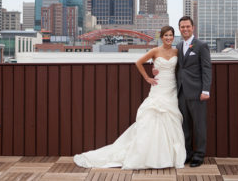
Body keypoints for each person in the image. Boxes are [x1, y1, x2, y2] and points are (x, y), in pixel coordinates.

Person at [73, 26, 186, 169]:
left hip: (171, 89)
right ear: (162, 37)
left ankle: (168, 157)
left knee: (171, 120)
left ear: (173, 37)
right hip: (158, 88)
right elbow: (138, 63)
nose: (168, 38)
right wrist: (147, 77)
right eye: (166, 36)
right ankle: (147, 155)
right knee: (151, 119)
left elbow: (180, 68)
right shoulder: (155, 51)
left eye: (171, 35)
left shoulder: (176, 51)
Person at [176, 16, 211, 167]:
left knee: (199, 125)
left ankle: (199, 154)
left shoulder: (201, 45)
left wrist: (206, 90)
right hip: (181, 92)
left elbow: (207, 69)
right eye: (182, 27)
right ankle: (188, 153)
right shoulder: (178, 46)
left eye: (187, 26)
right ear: (179, 29)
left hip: (197, 92)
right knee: (185, 126)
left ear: (193, 27)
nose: (185, 29)